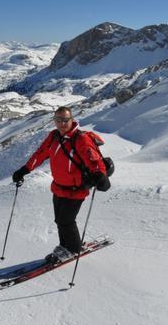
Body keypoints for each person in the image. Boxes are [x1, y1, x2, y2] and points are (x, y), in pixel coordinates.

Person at [12, 106, 111, 263]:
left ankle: (73, 249)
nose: (62, 123)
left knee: (66, 220)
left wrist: (100, 176)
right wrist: (24, 170)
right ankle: (65, 245)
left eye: (65, 120)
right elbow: (40, 154)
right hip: (59, 187)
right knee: (60, 220)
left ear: (72, 120)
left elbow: (94, 160)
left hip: (76, 188)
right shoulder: (54, 136)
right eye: (58, 120)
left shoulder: (81, 139)